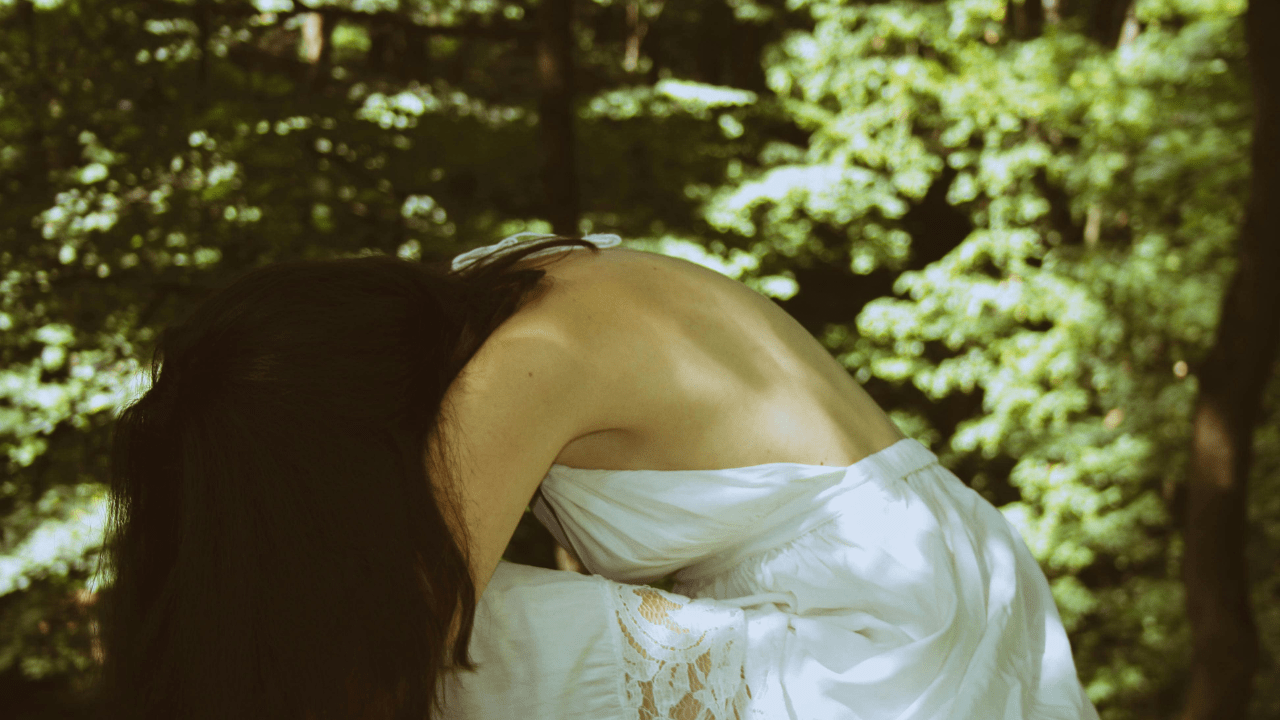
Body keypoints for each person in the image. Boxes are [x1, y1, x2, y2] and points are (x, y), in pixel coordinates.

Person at [96, 232, 1099, 720]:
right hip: (942, 576)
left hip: (878, 639)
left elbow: (400, 647)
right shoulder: (515, 286)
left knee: (436, 638)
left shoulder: (518, 369)